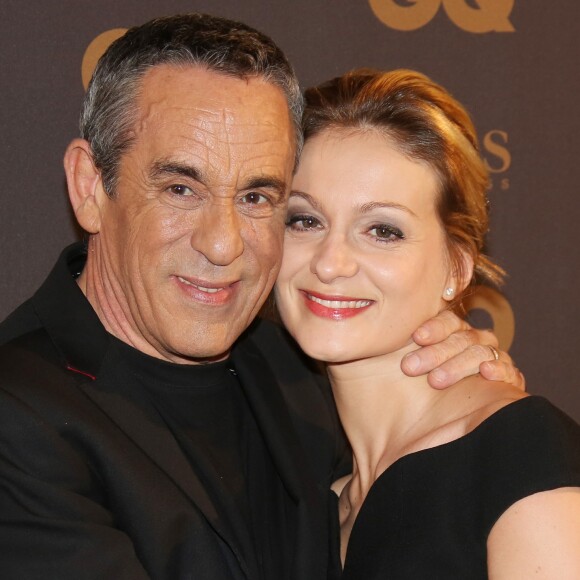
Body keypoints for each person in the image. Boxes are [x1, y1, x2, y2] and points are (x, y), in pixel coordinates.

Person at [0, 14, 522, 580]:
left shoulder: (304, 371)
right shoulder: (19, 418)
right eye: (181, 188)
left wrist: (473, 411)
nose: (223, 244)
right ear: (89, 187)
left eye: (257, 196)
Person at [274, 68, 580, 578]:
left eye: (383, 230)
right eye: (305, 220)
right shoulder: (315, 504)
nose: (330, 263)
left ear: (456, 267)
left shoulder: (519, 461)